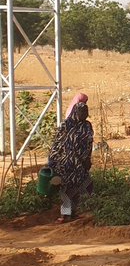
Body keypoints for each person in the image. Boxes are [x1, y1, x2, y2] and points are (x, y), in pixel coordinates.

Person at [47, 93, 94, 223]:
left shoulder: (87, 126)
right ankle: (65, 214)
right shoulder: (66, 125)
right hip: (65, 163)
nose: (84, 115)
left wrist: (87, 159)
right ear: (75, 112)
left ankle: (73, 213)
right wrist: (52, 161)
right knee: (65, 189)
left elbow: (89, 143)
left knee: (77, 188)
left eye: (85, 112)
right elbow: (57, 144)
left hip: (81, 164)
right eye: (81, 112)